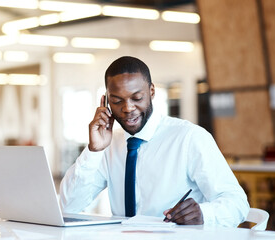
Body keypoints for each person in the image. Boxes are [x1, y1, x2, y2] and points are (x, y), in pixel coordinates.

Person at [60, 56, 249, 226]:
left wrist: (204, 214)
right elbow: (68, 207)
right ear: (106, 102)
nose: (128, 108)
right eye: (117, 101)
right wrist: (94, 151)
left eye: (137, 98)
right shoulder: (109, 144)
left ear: (151, 91)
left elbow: (237, 203)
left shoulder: (189, 138)